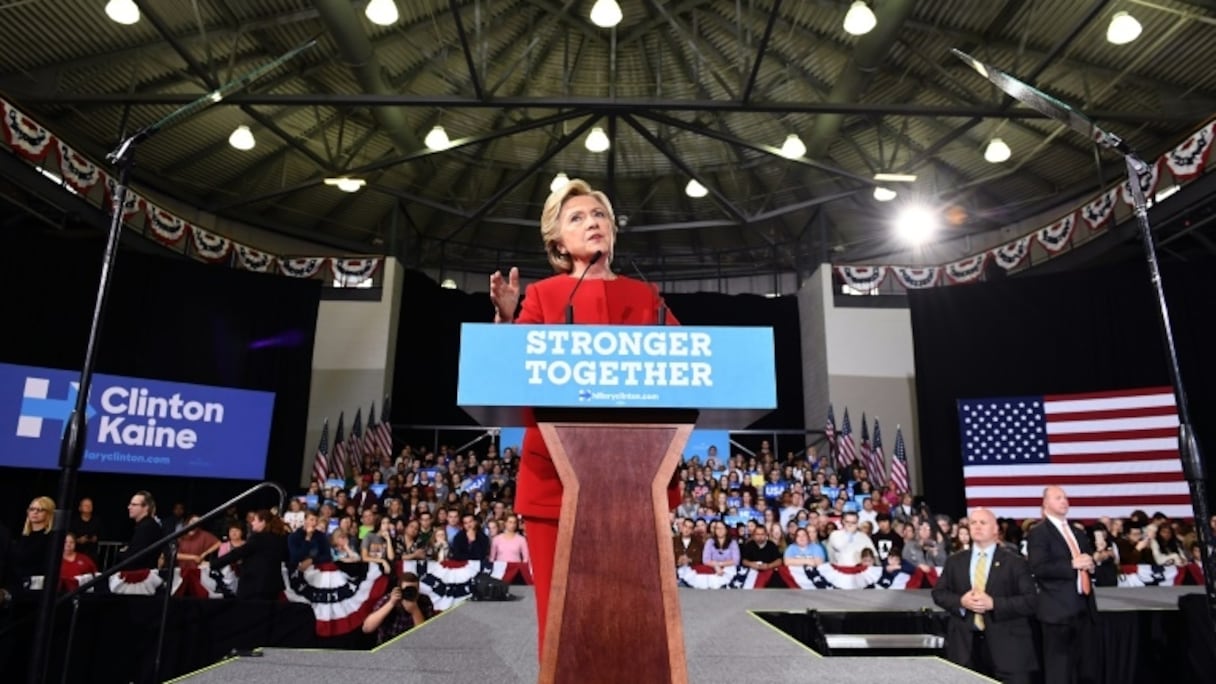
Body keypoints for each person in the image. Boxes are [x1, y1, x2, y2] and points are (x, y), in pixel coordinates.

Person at [488, 178, 673, 655]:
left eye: (599, 215)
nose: (593, 222)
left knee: (629, 621)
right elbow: (510, 375)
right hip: (556, 480)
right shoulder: (545, 296)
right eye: (578, 217)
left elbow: (688, 368)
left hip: (633, 482)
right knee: (561, 620)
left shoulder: (647, 295)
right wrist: (508, 324)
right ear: (557, 242)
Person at [932, 509, 1038, 683]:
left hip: (1008, 651)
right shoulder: (955, 561)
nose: (977, 527)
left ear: (996, 529)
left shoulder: (1015, 562)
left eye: (983, 523)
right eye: (973, 523)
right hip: (965, 650)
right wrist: (961, 601)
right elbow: (939, 593)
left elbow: (1031, 601)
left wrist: (994, 604)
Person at [1027, 486, 1098, 684]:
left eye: (1065, 497)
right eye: (1058, 498)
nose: (1064, 501)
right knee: (1059, 670)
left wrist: (1091, 565)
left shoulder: (1077, 532)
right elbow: (1038, 568)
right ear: (1045, 504)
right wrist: (1071, 564)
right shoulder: (1039, 533)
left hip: (1083, 608)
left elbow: (1089, 562)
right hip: (1057, 612)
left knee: (1085, 667)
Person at [208, 509, 289, 600]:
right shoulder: (280, 539)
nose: (252, 523)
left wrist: (214, 563)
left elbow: (238, 553)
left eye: (255, 520)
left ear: (262, 522)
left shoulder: (258, 538)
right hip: (273, 586)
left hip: (255, 587)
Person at [362, 572, 434, 645]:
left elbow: (425, 638)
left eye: (413, 590)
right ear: (400, 590)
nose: (409, 593)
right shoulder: (389, 599)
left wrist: (415, 611)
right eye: (407, 590)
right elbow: (367, 628)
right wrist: (391, 603)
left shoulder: (424, 601)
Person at [118, 491, 163, 569]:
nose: (129, 507)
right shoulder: (145, 525)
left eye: (134, 505)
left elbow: (136, 557)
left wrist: (123, 553)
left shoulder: (146, 527)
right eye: (130, 504)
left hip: (141, 575)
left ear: (146, 507)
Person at [68, 497, 102, 562]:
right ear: (80, 508)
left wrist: (96, 538)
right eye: (86, 505)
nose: (88, 507)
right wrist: (78, 540)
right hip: (76, 552)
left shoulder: (97, 521)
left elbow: (102, 535)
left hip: (92, 553)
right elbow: (69, 535)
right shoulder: (73, 521)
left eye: (90, 505)